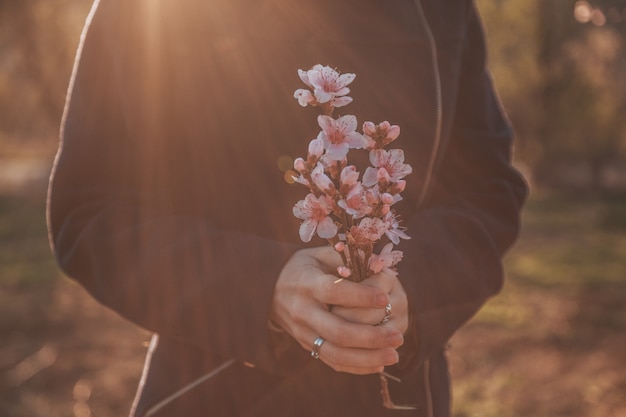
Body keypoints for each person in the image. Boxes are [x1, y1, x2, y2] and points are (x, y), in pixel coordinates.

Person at [47, 0, 528, 415]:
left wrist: (414, 289)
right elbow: (91, 213)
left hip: (401, 397)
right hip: (210, 394)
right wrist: (261, 287)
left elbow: (487, 191)